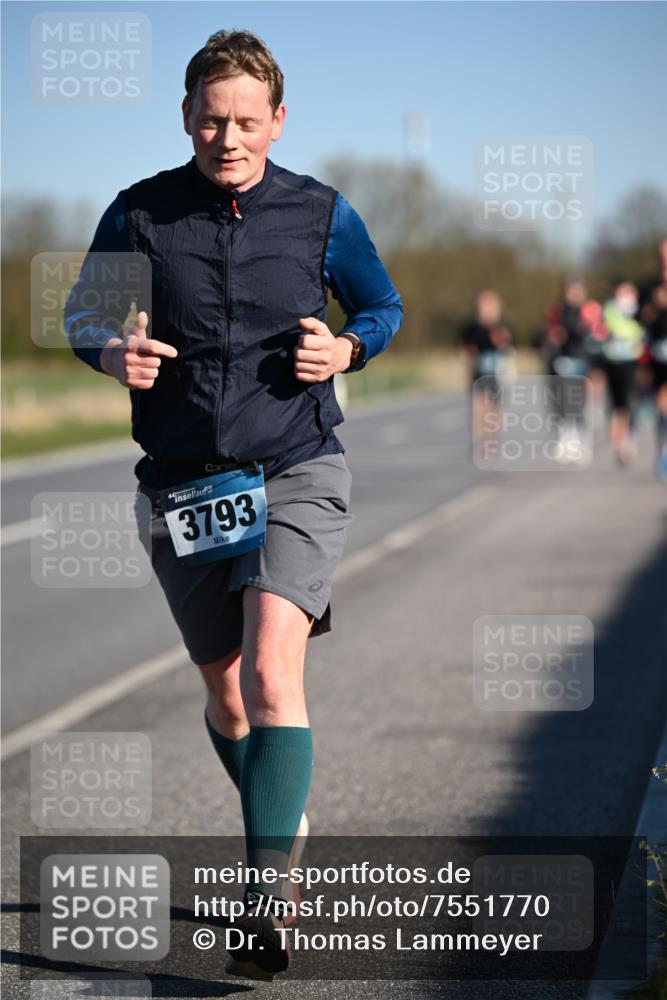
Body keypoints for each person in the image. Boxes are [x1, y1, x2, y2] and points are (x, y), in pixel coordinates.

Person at [66, 29, 402, 981]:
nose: (228, 138)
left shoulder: (322, 213)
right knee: (224, 694)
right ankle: (281, 816)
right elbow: (84, 313)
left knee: (268, 672)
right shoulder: (138, 214)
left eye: (246, 121)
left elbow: (381, 307)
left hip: (295, 466)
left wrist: (346, 350)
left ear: (277, 120)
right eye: (211, 119)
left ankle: (266, 900)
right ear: (185, 117)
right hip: (183, 483)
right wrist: (108, 354)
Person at [540, 276, 602, 464]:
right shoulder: (556, 311)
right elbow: (546, 335)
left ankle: (581, 442)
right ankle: (564, 439)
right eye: (570, 290)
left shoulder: (591, 310)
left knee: (578, 403)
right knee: (561, 403)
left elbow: (596, 335)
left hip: (582, 361)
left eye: (577, 290)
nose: (574, 295)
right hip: (560, 362)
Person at [458, 289, 514, 460]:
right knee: (478, 407)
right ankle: (479, 442)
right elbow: (465, 349)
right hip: (478, 373)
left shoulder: (502, 328)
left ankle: (492, 442)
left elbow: (509, 348)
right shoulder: (471, 328)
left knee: (494, 410)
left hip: (497, 374)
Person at [600, 279, 645, 466]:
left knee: (629, 400)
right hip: (612, 362)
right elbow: (604, 331)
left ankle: (629, 438)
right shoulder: (608, 310)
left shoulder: (641, 311)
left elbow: (640, 333)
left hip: (632, 362)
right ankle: (621, 442)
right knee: (616, 403)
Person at [638, 238, 667, 479]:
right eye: (663, 254)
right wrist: (656, 306)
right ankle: (663, 452)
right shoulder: (649, 287)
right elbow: (639, 321)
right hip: (658, 355)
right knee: (663, 405)